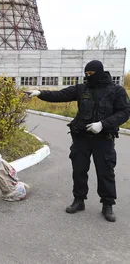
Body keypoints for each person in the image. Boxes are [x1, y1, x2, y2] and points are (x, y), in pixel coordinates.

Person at [26, 60, 130, 222]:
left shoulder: (116, 91)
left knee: (105, 172)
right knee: (79, 170)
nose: (89, 77)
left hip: (103, 139)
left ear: (100, 72)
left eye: (91, 74)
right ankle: (79, 200)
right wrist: (40, 93)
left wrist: (103, 124)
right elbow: (61, 95)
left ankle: (107, 205)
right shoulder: (82, 88)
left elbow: (124, 112)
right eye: (86, 74)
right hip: (82, 137)